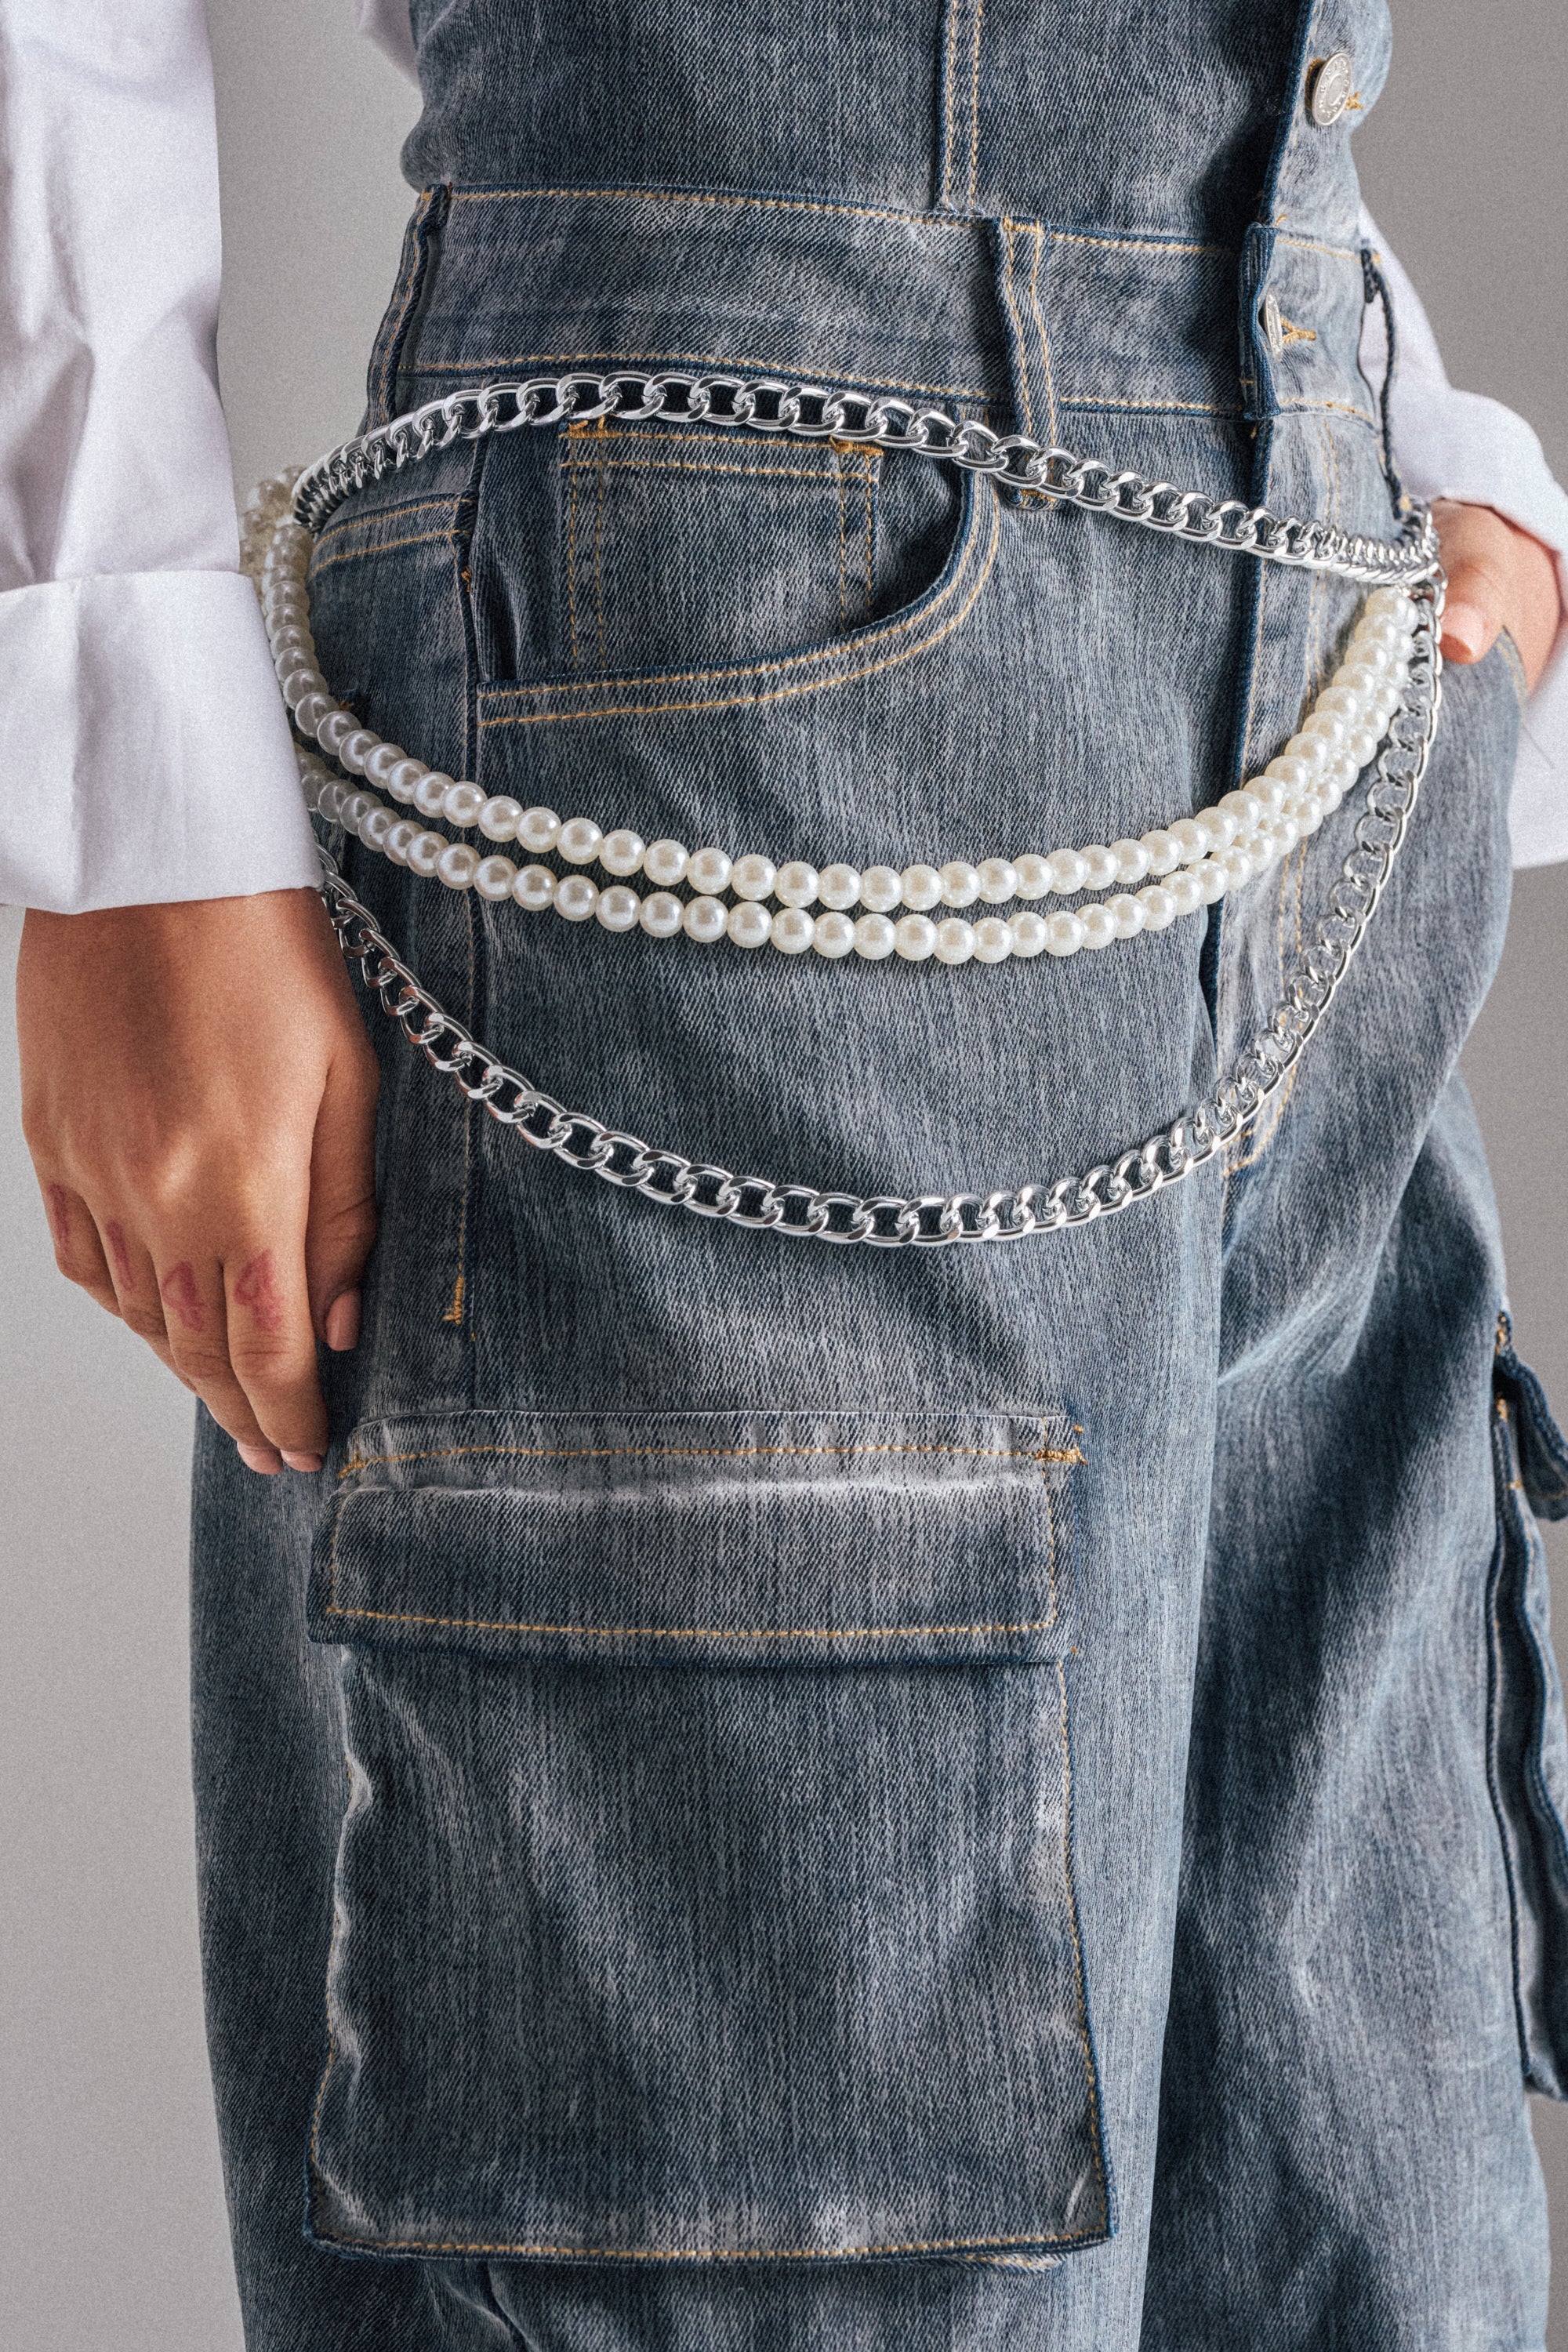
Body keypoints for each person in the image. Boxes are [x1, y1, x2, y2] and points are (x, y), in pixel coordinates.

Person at [5, 3, 1568, 2346]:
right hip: (743, 605)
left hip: (1313, 623)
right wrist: (118, 739)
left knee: (1375, 2252)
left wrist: (1414, 427)